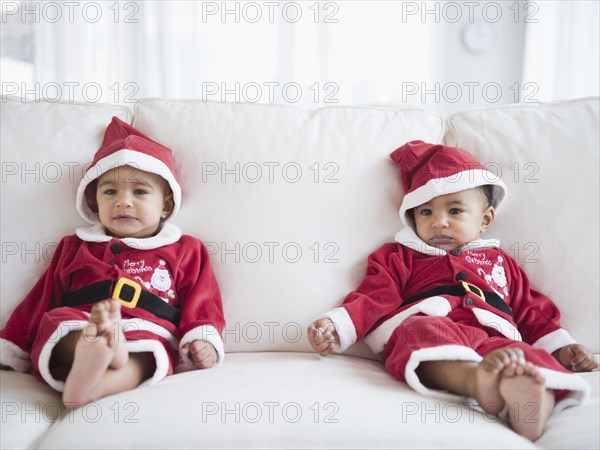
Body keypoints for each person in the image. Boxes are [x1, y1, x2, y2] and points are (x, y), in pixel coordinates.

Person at [307, 140, 598, 440]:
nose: (438, 223)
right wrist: (338, 324)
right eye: (426, 213)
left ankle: (530, 404)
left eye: (455, 211)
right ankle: (477, 381)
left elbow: (529, 310)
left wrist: (563, 348)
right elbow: (376, 295)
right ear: (412, 216)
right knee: (417, 334)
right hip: (432, 323)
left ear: (485, 219)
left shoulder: (500, 262)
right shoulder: (400, 255)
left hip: (494, 336)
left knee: (528, 361)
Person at [0, 117, 225, 408]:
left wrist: (203, 338)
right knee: (56, 325)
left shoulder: (184, 249)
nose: (123, 201)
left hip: (148, 326)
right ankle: (91, 353)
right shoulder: (75, 247)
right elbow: (42, 297)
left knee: (149, 355)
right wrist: (14, 342)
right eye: (110, 192)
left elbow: (203, 298)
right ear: (94, 201)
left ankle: (93, 386)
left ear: (165, 205)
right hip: (83, 321)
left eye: (140, 192)